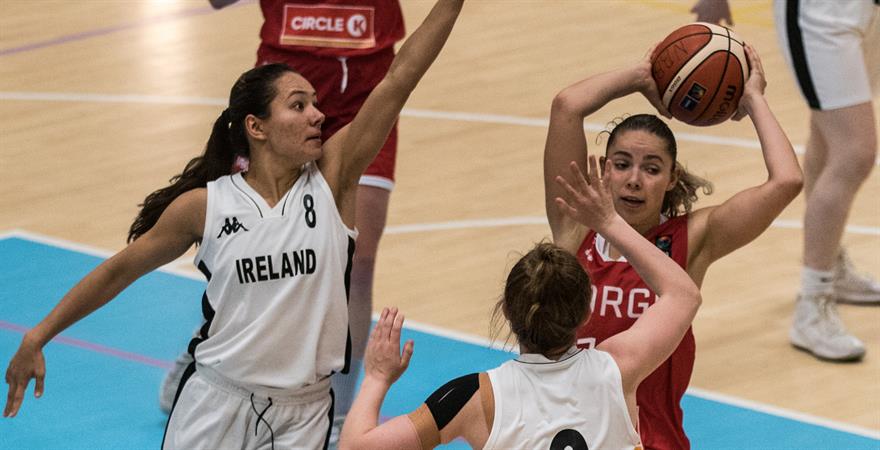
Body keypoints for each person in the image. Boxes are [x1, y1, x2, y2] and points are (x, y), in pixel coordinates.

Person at [3, 1, 463, 448]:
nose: (319, 115)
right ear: (256, 127)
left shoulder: (334, 181)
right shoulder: (204, 207)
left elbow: (400, 77)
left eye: (315, 104)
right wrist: (39, 334)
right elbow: (116, 271)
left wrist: (450, 5)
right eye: (298, 106)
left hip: (304, 413)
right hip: (214, 404)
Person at [337, 154, 703, 449]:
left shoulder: (476, 397)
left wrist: (377, 377)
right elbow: (683, 295)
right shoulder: (618, 366)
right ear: (586, 312)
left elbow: (355, 448)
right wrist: (609, 223)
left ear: (508, 311)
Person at [158, 2, 407, 433]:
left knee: (358, 260)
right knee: (247, 238)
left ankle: (340, 417)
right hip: (287, 77)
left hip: (365, 77)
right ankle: (212, 337)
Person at [542, 44, 803, 449]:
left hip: (649, 439)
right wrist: (641, 77)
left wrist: (753, 100)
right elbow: (566, 105)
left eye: (651, 169)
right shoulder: (575, 224)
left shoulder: (693, 239)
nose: (634, 180)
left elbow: (786, 181)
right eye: (623, 163)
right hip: (564, 435)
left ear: (671, 177)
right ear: (605, 169)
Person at [693, 0, 880, 362]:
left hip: (867, 13)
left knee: (829, 134)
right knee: (855, 152)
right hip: (819, 14)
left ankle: (831, 265)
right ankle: (813, 302)